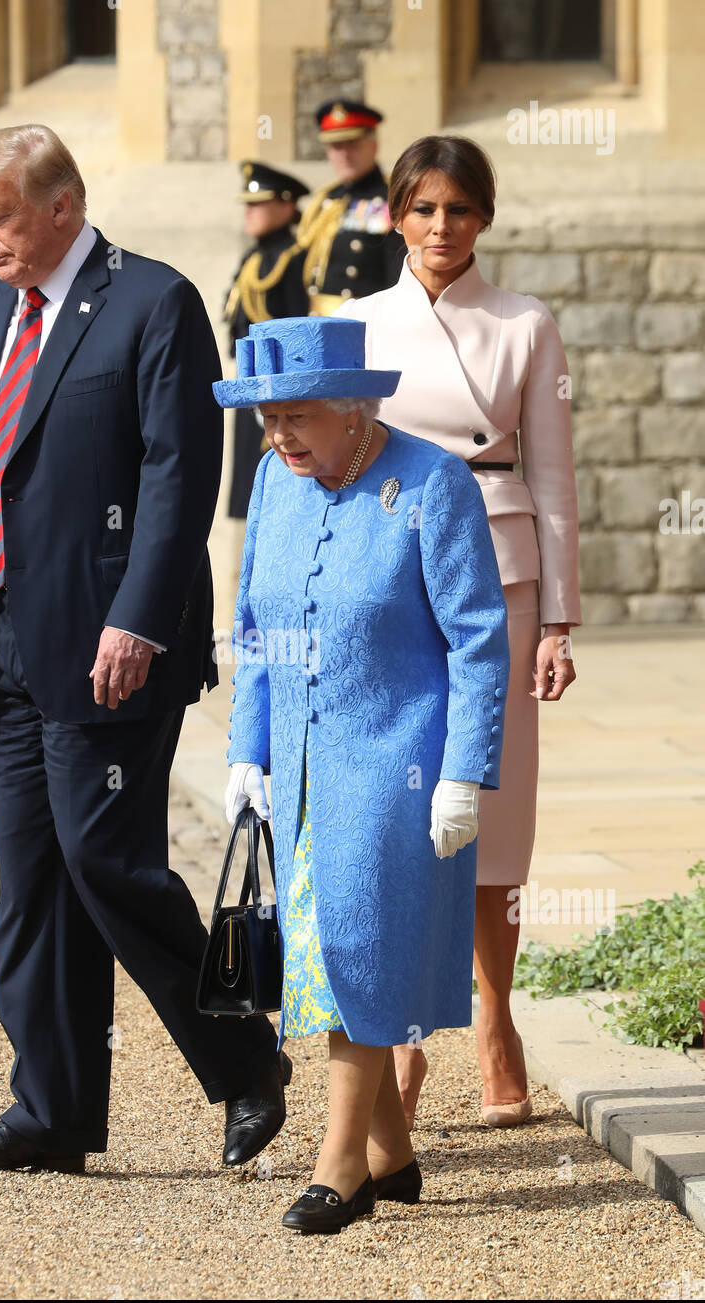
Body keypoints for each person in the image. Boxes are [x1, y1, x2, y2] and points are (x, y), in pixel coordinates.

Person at [0, 123, 290, 1176]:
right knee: (33, 880)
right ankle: (53, 1111)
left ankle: (248, 1059)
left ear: (63, 203)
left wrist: (140, 616)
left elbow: (178, 475)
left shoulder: (154, 302)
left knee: (105, 862)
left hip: (115, 643)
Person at [215, 316, 510, 1231]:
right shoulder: (273, 478)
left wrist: (465, 771)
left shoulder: (433, 482)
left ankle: (338, 1164)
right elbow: (257, 627)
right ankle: (392, 1152)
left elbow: (478, 642)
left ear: (357, 409)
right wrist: (245, 749)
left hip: (401, 767)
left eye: (296, 417)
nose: (279, 437)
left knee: (359, 942)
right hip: (301, 768)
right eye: (267, 420)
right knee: (325, 946)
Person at [334, 135, 581, 1128]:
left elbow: (556, 473)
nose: (441, 227)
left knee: (493, 809)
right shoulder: (355, 322)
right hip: (392, 570)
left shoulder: (527, 324)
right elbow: (332, 459)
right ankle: (397, 1036)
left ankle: (494, 1019)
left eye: (460, 209)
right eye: (423, 208)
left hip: (505, 564)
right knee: (392, 804)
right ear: (393, 214)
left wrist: (559, 617)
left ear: (485, 216)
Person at [224, 160, 310, 519]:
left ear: (287, 206)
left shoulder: (295, 258)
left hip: (283, 391)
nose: (249, 211)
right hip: (253, 387)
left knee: (285, 496)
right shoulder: (254, 257)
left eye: (258, 204)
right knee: (254, 497)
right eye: (247, 203)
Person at [295, 100, 406, 314]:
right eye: (336, 146)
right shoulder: (325, 200)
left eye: (353, 144)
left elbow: (398, 277)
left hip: (365, 322)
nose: (344, 154)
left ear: (374, 145)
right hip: (317, 321)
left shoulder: (392, 199)